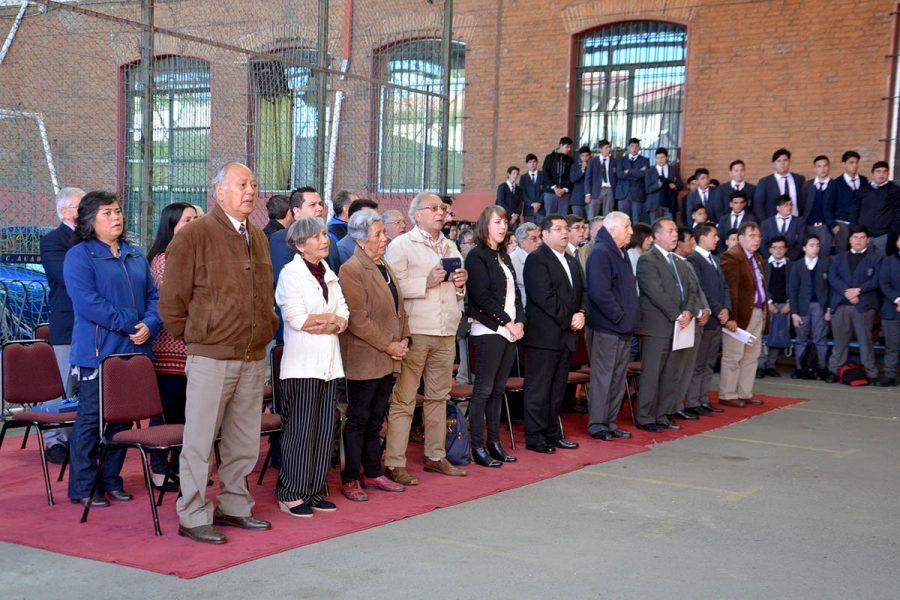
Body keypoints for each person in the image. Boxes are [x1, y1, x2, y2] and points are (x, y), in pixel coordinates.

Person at [159, 162, 279, 544]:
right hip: (212, 355)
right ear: (219, 191)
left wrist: (265, 327)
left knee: (244, 439)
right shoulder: (195, 235)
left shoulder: (257, 236)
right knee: (199, 439)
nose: (250, 191)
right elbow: (172, 300)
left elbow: (265, 292)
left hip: (251, 352)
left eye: (254, 184)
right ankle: (193, 514)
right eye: (242, 184)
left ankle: (234, 505)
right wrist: (198, 336)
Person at [63, 190, 162, 507]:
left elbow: (154, 298)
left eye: (117, 211)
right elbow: (88, 304)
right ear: (90, 221)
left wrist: (151, 323)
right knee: (92, 419)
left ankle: (111, 479)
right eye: (107, 213)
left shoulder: (134, 254)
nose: (116, 217)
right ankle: (83, 486)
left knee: (122, 420)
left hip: (134, 351)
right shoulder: (80, 255)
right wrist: (132, 323)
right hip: (98, 352)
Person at [383, 192, 469, 485]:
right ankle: (394, 462)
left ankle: (436, 455)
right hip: (417, 331)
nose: (440, 213)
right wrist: (426, 282)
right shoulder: (401, 245)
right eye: (433, 208)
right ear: (415, 214)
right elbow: (391, 288)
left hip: (446, 331)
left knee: (438, 397)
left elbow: (457, 291)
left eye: (442, 208)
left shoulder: (450, 245)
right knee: (405, 399)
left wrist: (460, 286)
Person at [274, 217, 348, 516]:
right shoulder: (290, 274)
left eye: (324, 234)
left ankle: (314, 489)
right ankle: (291, 491)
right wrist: (330, 320)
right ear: (300, 244)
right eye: (317, 236)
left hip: (329, 363)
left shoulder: (328, 271)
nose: (324, 239)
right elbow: (298, 319)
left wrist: (332, 321)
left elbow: (343, 312)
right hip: (302, 365)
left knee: (324, 430)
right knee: (301, 431)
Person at [339, 209, 409, 500]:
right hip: (365, 357)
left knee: (376, 418)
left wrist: (404, 338)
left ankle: (374, 472)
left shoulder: (384, 265)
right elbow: (358, 319)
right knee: (358, 419)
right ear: (359, 240)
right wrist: (389, 344)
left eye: (383, 233)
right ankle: (350, 477)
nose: (384, 238)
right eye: (378, 234)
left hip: (389, 356)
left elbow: (398, 308)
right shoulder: (352, 270)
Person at [465, 205, 525, 467]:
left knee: (498, 390)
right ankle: (477, 445)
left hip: (511, 330)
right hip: (490, 329)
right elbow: (482, 296)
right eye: (497, 222)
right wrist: (507, 322)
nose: (502, 227)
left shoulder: (504, 255)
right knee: (484, 389)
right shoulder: (476, 256)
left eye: (504, 222)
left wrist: (520, 321)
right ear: (484, 225)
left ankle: (494, 443)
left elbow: (517, 294)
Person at [146, 202, 198, 490]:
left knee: (188, 415)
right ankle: (158, 469)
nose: (193, 223)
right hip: (170, 349)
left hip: (192, 349)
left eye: (196, 219)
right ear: (172, 226)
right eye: (187, 220)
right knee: (167, 412)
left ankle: (179, 467)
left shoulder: (191, 256)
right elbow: (174, 303)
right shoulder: (164, 259)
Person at [522, 214, 585, 453]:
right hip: (544, 336)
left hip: (566, 335)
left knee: (557, 390)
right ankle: (535, 437)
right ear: (545, 234)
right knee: (539, 389)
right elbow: (544, 296)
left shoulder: (570, 260)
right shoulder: (537, 259)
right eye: (557, 228)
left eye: (565, 228)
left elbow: (582, 292)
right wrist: (569, 318)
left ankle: (552, 433)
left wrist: (581, 312)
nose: (564, 232)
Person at [634, 218, 701, 431]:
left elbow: (690, 290)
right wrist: (678, 315)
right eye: (671, 231)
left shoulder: (679, 262)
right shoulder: (648, 260)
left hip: (679, 326)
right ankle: (645, 417)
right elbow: (655, 292)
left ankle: (662, 414)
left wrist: (689, 311)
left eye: (675, 231)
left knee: (671, 374)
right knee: (652, 374)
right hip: (657, 327)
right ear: (657, 235)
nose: (675, 235)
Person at [38, 186, 84, 465]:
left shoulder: (93, 239)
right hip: (68, 325)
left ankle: (82, 439)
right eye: (81, 206)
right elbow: (65, 275)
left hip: (93, 327)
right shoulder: (53, 241)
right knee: (64, 385)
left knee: (86, 387)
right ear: (65, 211)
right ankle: (55, 441)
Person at [585, 211, 637, 440]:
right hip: (608, 327)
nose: (631, 232)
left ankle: (610, 421)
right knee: (603, 378)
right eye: (627, 227)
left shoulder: (620, 252)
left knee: (617, 378)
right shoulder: (601, 252)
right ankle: (597, 424)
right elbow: (599, 292)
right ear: (613, 229)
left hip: (622, 327)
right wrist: (620, 317)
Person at [271, 186, 340, 342]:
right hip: (298, 331)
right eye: (312, 205)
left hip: (330, 330)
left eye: (320, 204)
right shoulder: (283, 239)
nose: (320, 208)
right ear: (297, 212)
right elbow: (289, 287)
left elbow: (335, 283)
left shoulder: (330, 241)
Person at [719, 222, 768, 408]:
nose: (756, 240)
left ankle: (744, 392)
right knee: (734, 354)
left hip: (757, 310)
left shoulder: (757, 257)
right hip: (739, 314)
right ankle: (728, 393)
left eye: (758, 236)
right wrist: (730, 316)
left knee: (751, 354)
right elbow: (731, 290)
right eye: (752, 236)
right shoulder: (731, 257)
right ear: (740, 238)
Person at [825, 225, 882, 383]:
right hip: (841, 304)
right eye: (855, 237)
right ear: (850, 239)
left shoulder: (876, 258)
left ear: (868, 240)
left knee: (865, 341)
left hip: (864, 305)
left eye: (862, 237)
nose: (858, 240)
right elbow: (833, 277)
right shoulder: (838, 258)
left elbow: (876, 280)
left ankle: (871, 373)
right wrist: (847, 292)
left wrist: (859, 291)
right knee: (840, 341)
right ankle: (834, 371)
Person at [685, 222, 730, 415]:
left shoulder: (715, 260)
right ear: (702, 237)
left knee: (709, 362)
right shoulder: (694, 260)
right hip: (705, 318)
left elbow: (724, 287)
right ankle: (692, 401)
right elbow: (700, 290)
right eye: (714, 235)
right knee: (698, 362)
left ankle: (703, 399)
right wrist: (719, 308)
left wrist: (727, 308)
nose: (717, 239)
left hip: (717, 319)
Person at [788, 235, 831, 380]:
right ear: (804, 248)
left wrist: (829, 309)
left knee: (821, 338)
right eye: (812, 245)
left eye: (818, 245)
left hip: (820, 306)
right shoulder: (797, 265)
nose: (815, 248)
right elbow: (792, 290)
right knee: (801, 338)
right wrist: (794, 312)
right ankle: (800, 368)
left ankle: (822, 368)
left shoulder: (825, 263)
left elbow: (830, 288)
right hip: (802, 307)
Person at [851, 161, 900, 256]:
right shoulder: (863, 190)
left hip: (884, 236)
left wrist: (892, 232)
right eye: (878, 171)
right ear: (872, 173)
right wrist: (855, 228)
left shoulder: (895, 190)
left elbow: (899, 213)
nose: (882, 174)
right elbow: (854, 211)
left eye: (885, 171)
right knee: (862, 263)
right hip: (864, 235)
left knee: (882, 265)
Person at [757, 236, 790, 378]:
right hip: (766, 305)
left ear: (786, 250)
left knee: (778, 336)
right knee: (763, 336)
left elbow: (795, 286)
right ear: (770, 249)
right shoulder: (762, 265)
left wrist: (790, 303)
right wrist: (769, 302)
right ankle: (760, 365)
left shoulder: (791, 266)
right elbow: (759, 285)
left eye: (781, 247)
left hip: (784, 306)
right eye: (775, 247)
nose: (778, 250)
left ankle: (771, 365)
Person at [827, 151, 867, 253]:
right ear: (844, 164)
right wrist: (833, 225)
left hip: (859, 223)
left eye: (856, 162)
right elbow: (827, 206)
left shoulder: (864, 181)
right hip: (842, 224)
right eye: (851, 162)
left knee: (859, 251)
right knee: (842, 252)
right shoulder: (836, 183)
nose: (855, 165)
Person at [754, 148, 806, 221]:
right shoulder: (765, 182)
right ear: (773, 164)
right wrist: (765, 223)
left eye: (785, 160)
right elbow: (758, 206)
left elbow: (805, 202)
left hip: (796, 222)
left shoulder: (799, 179)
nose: (782, 163)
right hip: (773, 223)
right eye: (778, 161)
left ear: (789, 162)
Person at [799, 155, 834, 255]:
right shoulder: (807, 185)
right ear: (815, 168)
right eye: (819, 166)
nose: (822, 169)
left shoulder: (835, 185)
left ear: (829, 167)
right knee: (808, 255)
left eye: (825, 166)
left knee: (824, 255)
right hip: (808, 226)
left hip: (825, 227)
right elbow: (802, 205)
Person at [878, 236, 900, 386]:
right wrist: (898, 300)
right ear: (897, 242)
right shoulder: (888, 261)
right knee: (891, 346)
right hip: (891, 309)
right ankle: (890, 374)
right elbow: (884, 284)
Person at [336, 198, 379, 267]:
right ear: (353, 219)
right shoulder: (343, 249)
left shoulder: (377, 242)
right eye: (368, 217)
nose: (374, 222)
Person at [616, 138, 650, 224]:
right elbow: (619, 175)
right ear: (628, 148)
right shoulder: (621, 160)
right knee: (623, 221)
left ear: (639, 148)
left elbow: (644, 174)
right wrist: (638, 171)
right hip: (623, 193)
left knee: (637, 220)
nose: (634, 149)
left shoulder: (645, 160)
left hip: (637, 193)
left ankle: (636, 237)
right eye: (632, 146)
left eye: (636, 146)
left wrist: (628, 171)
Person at [761, 196, 805, 260]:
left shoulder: (799, 222)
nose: (789, 207)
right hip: (771, 262)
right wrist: (772, 258)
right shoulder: (766, 223)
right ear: (778, 208)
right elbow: (763, 244)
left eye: (790, 204)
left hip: (792, 261)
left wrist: (790, 258)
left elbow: (800, 243)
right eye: (786, 205)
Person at [644, 147, 683, 221]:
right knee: (655, 228)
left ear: (667, 157)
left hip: (669, 204)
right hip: (654, 205)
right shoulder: (650, 171)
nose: (660, 160)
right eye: (657, 158)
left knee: (669, 226)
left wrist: (675, 186)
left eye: (662, 157)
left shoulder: (673, 170)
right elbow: (647, 189)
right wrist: (657, 185)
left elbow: (680, 184)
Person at [509, 222, 541, 306]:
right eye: (534, 239)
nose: (539, 242)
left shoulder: (542, 258)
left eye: (539, 237)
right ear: (522, 242)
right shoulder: (511, 261)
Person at [584, 139, 617, 218]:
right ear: (600, 149)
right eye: (606, 147)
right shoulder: (593, 161)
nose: (608, 149)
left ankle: (606, 230)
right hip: (596, 190)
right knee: (592, 214)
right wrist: (588, 194)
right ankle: (591, 230)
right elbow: (588, 178)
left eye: (609, 147)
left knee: (608, 215)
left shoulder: (614, 161)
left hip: (609, 190)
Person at [542, 137, 574, 215]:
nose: (569, 149)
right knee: (549, 218)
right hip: (550, 192)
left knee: (563, 217)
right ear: (560, 145)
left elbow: (571, 176)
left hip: (565, 194)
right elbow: (545, 174)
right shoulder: (549, 158)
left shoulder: (570, 160)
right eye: (567, 147)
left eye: (570, 147)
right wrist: (555, 188)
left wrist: (564, 189)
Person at [520, 153, 546, 223]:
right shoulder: (523, 178)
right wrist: (532, 204)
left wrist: (539, 203)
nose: (532, 164)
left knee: (541, 231)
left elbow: (545, 191)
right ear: (527, 164)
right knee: (528, 232)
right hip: (528, 210)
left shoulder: (543, 175)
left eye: (534, 162)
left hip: (541, 209)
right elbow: (523, 194)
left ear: (537, 163)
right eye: (530, 162)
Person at [569, 146, 592, 217]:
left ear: (590, 156)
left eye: (587, 156)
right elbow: (572, 179)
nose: (585, 158)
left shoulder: (593, 165)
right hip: (577, 200)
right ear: (579, 156)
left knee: (590, 222)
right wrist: (582, 170)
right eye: (583, 156)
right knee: (578, 222)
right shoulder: (574, 166)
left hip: (591, 199)